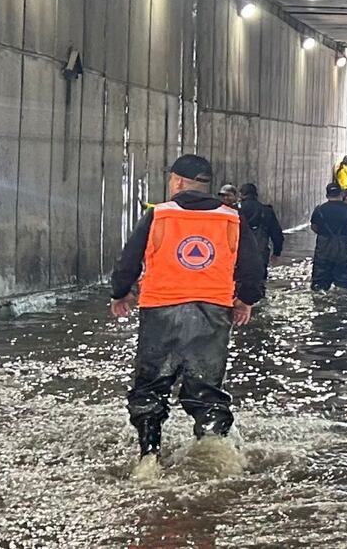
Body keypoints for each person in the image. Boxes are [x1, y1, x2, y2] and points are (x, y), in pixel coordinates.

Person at [110, 154, 264, 466]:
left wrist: (120, 293)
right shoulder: (232, 218)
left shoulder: (158, 215)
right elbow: (252, 267)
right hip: (212, 312)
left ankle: (148, 458)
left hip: (160, 310)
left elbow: (128, 259)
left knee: (151, 387)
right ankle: (215, 459)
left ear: (178, 181)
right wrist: (246, 299)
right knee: (205, 387)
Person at [238, 183, 284, 280]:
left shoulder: (236, 210)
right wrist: (276, 252)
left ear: (241, 195)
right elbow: (277, 233)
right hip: (260, 253)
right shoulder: (266, 210)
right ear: (256, 195)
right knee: (259, 283)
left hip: (239, 254)